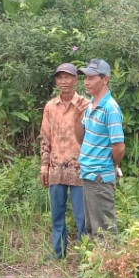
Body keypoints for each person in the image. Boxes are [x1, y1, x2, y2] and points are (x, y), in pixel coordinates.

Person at [40, 62, 89, 259]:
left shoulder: (85, 104)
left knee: (82, 216)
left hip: (79, 168)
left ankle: (84, 255)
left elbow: (90, 136)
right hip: (56, 168)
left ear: (76, 80)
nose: (64, 81)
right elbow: (45, 137)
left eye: (68, 77)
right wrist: (44, 166)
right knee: (57, 215)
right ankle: (58, 253)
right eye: (60, 77)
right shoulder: (51, 106)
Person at [77, 58, 125, 238]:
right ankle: (97, 264)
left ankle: (108, 264)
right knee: (92, 227)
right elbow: (82, 136)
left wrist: (111, 166)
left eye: (92, 77)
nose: (86, 82)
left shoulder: (110, 108)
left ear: (105, 79)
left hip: (99, 176)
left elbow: (119, 146)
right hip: (88, 173)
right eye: (85, 77)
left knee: (105, 231)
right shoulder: (90, 104)